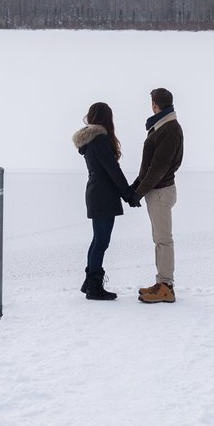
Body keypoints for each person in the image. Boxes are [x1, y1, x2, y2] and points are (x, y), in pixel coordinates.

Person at [73, 102, 139, 300]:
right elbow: (113, 170)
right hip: (103, 195)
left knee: (98, 240)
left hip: (97, 192)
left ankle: (90, 282)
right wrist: (128, 194)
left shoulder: (91, 140)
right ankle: (94, 287)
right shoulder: (100, 139)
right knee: (101, 241)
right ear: (107, 118)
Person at [131, 87, 184, 303]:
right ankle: (161, 282)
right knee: (159, 239)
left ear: (155, 104)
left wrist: (138, 191)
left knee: (163, 240)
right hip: (157, 190)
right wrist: (134, 188)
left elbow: (157, 168)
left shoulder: (169, 129)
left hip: (161, 191)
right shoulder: (162, 126)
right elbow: (149, 167)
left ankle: (166, 287)